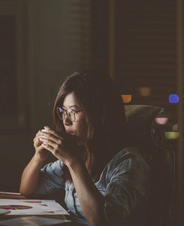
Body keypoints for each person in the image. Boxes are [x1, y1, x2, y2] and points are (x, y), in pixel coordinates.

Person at [20, 72, 150, 226]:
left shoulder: (128, 162)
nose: (66, 120)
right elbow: (27, 190)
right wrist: (38, 156)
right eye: (63, 112)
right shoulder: (80, 154)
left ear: (99, 113)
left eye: (73, 112)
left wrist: (73, 162)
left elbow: (103, 221)